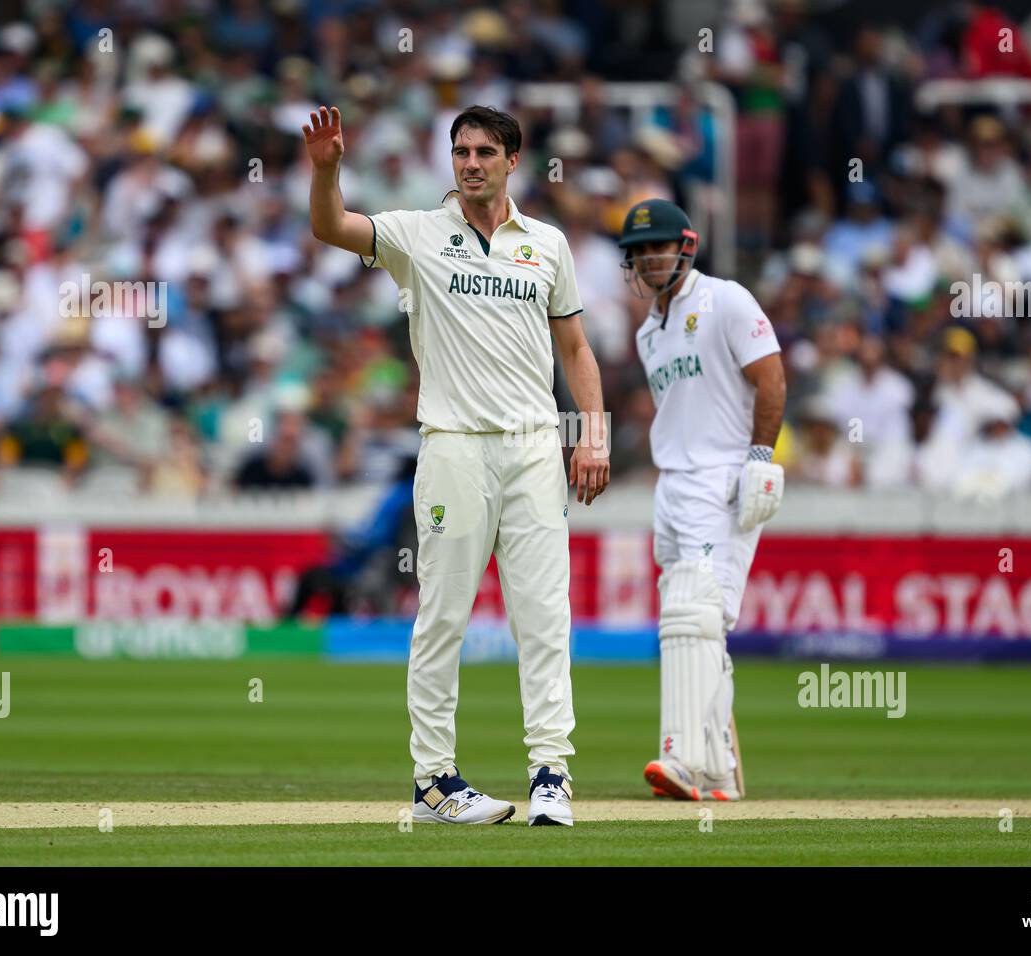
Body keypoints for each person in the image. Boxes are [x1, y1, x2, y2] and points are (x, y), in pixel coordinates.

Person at [303, 103, 609, 826]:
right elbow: (330, 226)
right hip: (453, 445)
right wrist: (327, 174)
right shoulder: (417, 234)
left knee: (543, 618)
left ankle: (550, 775)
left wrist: (591, 432)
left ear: (511, 160)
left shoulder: (547, 245)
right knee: (442, 615)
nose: (470, 162)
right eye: (460, 150)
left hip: (535, 446)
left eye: (484, 151)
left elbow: (576, 350)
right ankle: (435, 781)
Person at [620, 198, 787, 801]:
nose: (647, 258)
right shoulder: (647, 331)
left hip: (722, 477)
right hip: (672, 483)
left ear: (686, 245)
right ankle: (718, 767)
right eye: (637, 251)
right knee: (694, 620)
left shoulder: (726, 299)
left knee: (698, 612)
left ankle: (684, 757)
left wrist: (760, 460)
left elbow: (771, 379)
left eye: (657, 246)